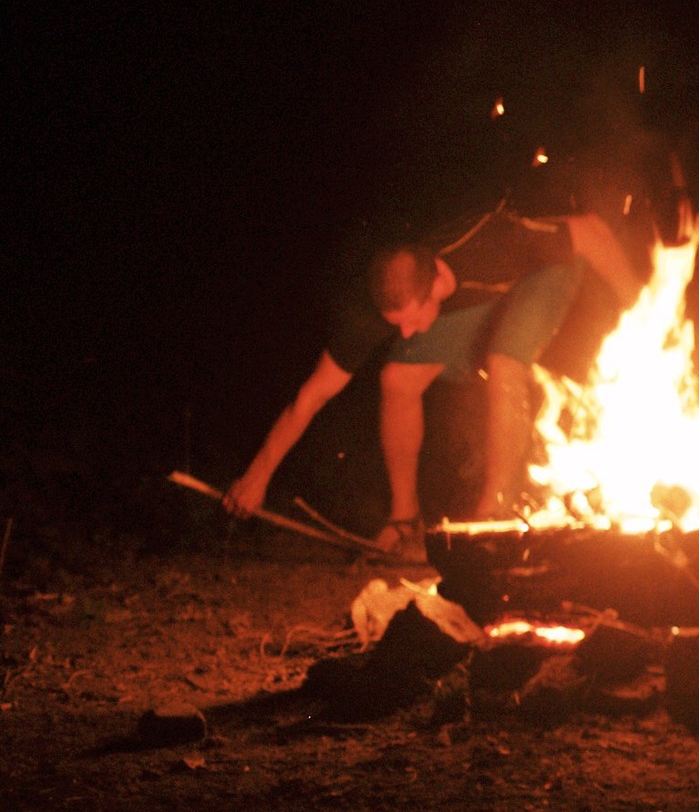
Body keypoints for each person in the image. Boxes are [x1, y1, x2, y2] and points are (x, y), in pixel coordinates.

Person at [224, 198, 642, 559]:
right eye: (396, 324)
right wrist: (257, 476)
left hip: (545, 271)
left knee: (504, 362)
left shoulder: (490, 243)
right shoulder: (368, 314)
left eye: (410, 321)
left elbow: (590, 231)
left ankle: (492, 518)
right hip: (479, 295)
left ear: (438, 284)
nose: (403, 333)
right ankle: (405, 520)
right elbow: (310, 397)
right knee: (398, 377)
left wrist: (644, 310)